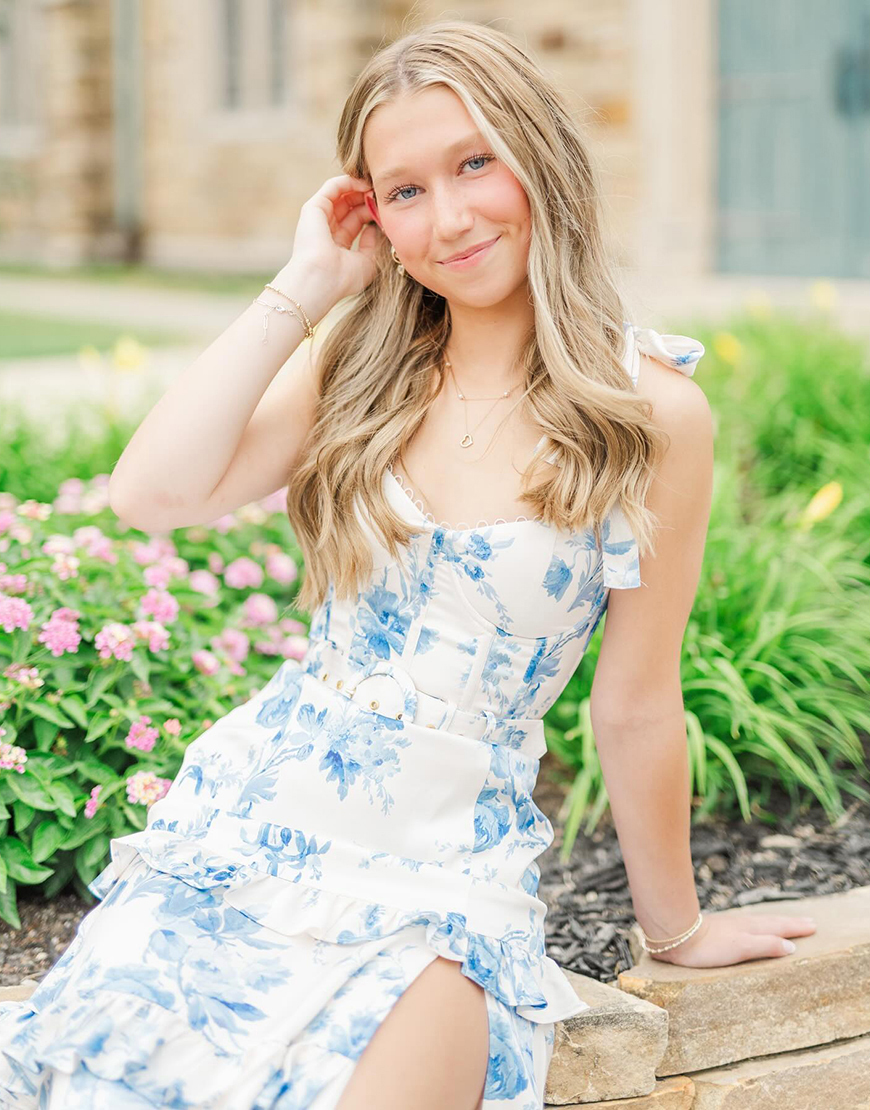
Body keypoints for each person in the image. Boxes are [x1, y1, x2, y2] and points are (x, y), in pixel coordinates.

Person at [0, 18, 817, 1110]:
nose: (451, 217)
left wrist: (678, 927)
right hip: (253, 824)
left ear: (541, 156)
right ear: (372, 213)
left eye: (475, 162)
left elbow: (633, 704)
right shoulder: (359, 363)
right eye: (406, 191)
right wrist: (304, 284)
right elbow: (153, 494)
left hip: (447, 873)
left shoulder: (651, 413)